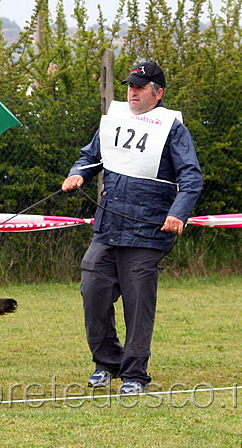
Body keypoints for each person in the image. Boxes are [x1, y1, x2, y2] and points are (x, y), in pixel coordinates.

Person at [61, 61, 203, 395]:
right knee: (93, 290)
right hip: (109, 226)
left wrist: (178, 213)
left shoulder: (172, 128)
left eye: (140, 87)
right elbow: (90, 156)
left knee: (138, 305)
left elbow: (191, 177)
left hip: (149, 231)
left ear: (158, 93)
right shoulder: (116, 119)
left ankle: (135, 375)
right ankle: (106, 362)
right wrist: (78, 172)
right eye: (130, 87)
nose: (133, 93)